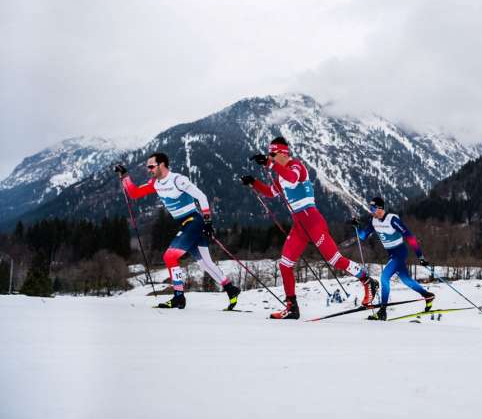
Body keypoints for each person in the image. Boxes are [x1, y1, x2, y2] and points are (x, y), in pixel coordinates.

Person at [241, 136, 378, 319]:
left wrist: (269, 164)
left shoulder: (297, 167)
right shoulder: (280, 176)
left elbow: (292, 177)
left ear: (283, 153)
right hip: (299, 226)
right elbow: (270, 193)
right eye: (269, 154)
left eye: (273, 154)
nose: (271, 157)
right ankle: (292, 307)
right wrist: (254, 183)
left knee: (335, 259)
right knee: (285, 265)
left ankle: (367, 281)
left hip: (313, 222)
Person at [114, 153, 240, 309]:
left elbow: (201, 197)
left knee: (169, 256)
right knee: (205, 263)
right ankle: (231, 289)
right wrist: (125, 176)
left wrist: (208, 221)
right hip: (187, 224)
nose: (149, 170)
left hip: (194, 222)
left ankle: (179, 297)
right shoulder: (155, 183)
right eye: (148, 167)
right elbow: (134, 194)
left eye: (151, 166)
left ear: (162, 165)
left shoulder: (178, 180)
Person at [352, 196, 435, 321]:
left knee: (384, 277)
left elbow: (410, 237)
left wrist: (420, 257)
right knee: (406, 280)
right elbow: (363, 236)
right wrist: (357, 227)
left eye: (373, 208)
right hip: (392, 254)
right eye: (370, 208)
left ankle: (383, 311)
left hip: (400, 253)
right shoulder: (374, 221)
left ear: (380, 209)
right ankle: (427, 295)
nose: (371, 211)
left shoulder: (392, 220)